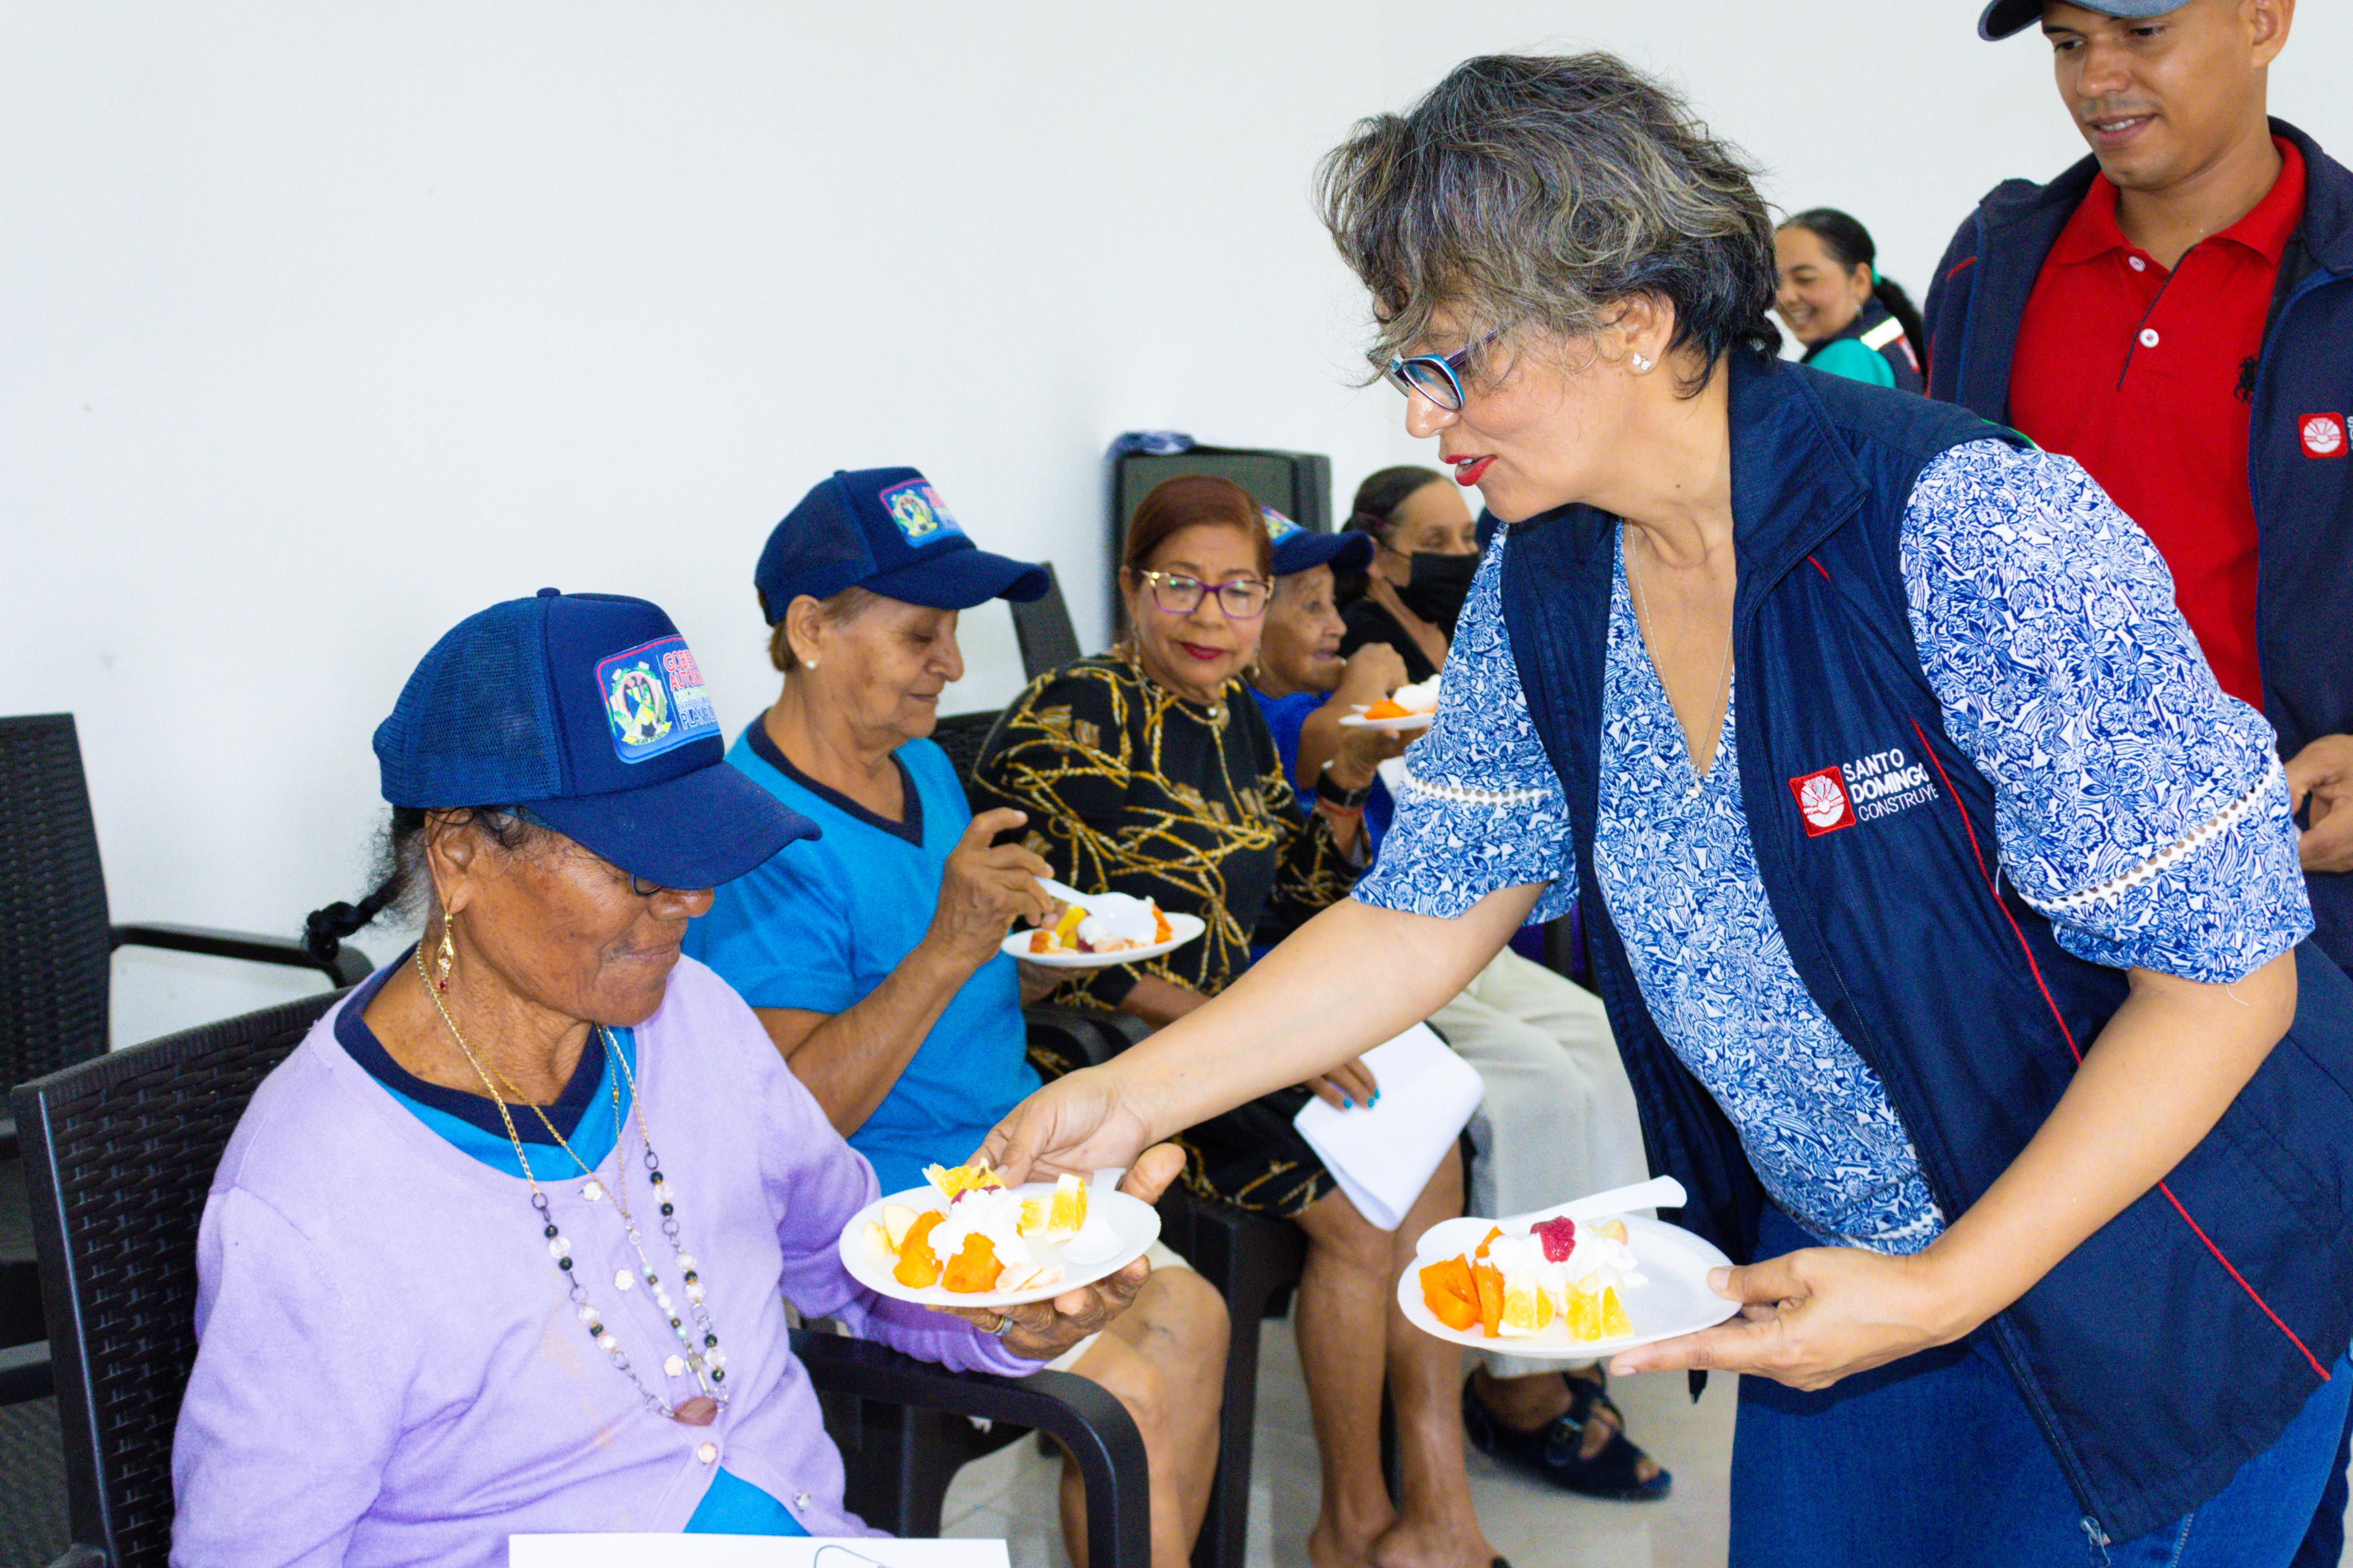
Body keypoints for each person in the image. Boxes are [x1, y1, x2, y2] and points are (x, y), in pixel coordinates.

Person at [970, 53, 2353, 1568]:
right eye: (1404, 367)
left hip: (2152, 1263)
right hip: (1849, 1260)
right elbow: (1424, 910)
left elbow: (2227, 981)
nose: (1426, 417)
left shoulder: (1966, 525)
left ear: (1633, 318)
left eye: (1456, 362)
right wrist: (1132, 1098)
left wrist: (1946, 1287)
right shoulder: (1549, 576)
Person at [175, 589, 1170, 1565]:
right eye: (642, 867)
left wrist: (1004, 1312)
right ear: (460, 853)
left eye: (701, 851)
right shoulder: (316, 1201)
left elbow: (857, 1262)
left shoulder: (695, 1019)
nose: (694, 899)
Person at [1924, 6, 2353, 1556]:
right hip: (2026, 917)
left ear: (2265, 19)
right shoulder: (1997, 261)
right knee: (2039, 1378)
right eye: (2067, 37)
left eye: (2144, 29)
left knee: (2265, 1375)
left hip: (2302, 918)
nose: (2100, 78)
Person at [682, 467, 1229, 1568]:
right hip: (888, 1218)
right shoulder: (759, 836)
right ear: (811, 630)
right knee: (1130, 1390)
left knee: (1197, 1319)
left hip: (1019, 1169)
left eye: (956, 632)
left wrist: (1030, 957)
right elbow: (790, 1121)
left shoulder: (924, 768)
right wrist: (949, 942)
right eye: (922, 635)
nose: (955, 665)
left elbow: (964, 993)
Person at [972, 474, 1503, 1568]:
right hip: (1117, 1053)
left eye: (1238, 589)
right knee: (1359, 1215)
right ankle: (1354, 1521)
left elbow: (1292, 898)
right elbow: (1049, 948)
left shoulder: (1234, 720)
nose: (1210, 616)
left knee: (1436, 1152)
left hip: (1230, 1026)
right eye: (1181, 584)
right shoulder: (1072, 715)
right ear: (1132, 587)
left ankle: (1437, 1503)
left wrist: (1344, 784)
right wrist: (1260, 1041)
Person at [1248, 507, 1667, 1501]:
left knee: (1601, 1043)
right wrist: (1368, 677)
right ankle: (1518, 1377)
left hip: (1423, 927)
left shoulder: (1317, 691)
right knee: (1535, 1090)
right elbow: (1331, 747)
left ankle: (1583, 1320)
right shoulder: (1261, 715)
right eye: (1305, 604)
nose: (1333, 623)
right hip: (1356, 959)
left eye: (1332, 602)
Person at [1337, 465, 1481, 685]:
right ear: (1375, 556)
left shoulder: (1464, 625)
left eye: (1468, 537)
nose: (1462, 554)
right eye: (1436, 542)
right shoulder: (1361, 642)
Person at [1772, 208, 1926, 392]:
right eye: (1775, 281)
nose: (1785, 297)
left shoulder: (1848, 358)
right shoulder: (1880, 331)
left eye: (1805, 279)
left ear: (1860, 281)